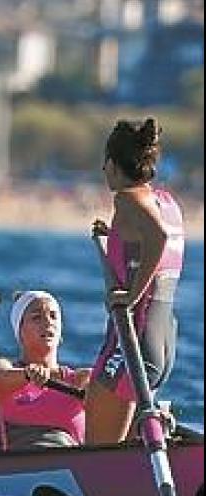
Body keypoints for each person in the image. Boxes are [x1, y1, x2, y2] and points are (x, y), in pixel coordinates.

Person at [85, 117, 185, 445]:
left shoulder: (127, 200)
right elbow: (149, 247)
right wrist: (113, 235)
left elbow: (156, 237)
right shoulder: (167, 203)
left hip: (130, 342)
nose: (103, 170)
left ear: (113, 165)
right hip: (162, 343)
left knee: (98, 456)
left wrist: (130, 296)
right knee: (125, 454)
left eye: (105, 163)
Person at [0, 291, 90, 451]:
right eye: (36, 317)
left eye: (53, 316)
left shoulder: (80, 379)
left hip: (69, 460)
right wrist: (28, 374)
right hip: (17, 462)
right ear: (20, 332)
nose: (48, 322)